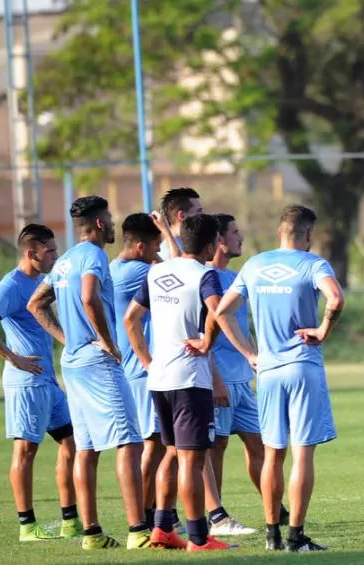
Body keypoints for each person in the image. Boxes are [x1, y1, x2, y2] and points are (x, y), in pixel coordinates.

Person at [214, 204, 344, 552]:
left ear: (280, 231)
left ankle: (272, 534)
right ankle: (295, 536)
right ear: (308, 234)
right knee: (302, 455)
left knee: (273, 454)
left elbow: (221, 311)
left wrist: (249, 353)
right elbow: (336, 298)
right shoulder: (314, 264)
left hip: (267, 372)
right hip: (303, 367)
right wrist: (323, 329)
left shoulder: (255, 265)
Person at [27, 196, 149, 550]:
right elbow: (89, 297)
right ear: (99, 224)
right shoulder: (94, 255)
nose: (113, 225)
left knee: (87, 447)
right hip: (97, 363)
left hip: (74, 363)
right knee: (129, 442)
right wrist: (107, 342)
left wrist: (69, 340)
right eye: (110, 220)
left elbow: (36, 303)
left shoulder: (63, 261)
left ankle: (92, 533)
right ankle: (138, 530)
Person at [125, 213, 234, 552]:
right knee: (191, 460)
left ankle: (161, 530)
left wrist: (147, 361)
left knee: (171, 454)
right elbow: (218, 312)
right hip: (189, 378)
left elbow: (131, 318)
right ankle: (199, 538)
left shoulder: (156, 271)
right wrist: (206, 343)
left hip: (159, 379)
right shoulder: (206, 275)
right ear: (212, 244)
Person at [0, 224, 83, 542]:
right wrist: (12, 357)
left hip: (48, 381)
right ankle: (27, 526)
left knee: (72, 443)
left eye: (55, 248)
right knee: (25, 451)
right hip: (26, 382)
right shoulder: (12, 284)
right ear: (31, 253)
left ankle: (70, 520)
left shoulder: (42, 281)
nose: (55, 254)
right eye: (49, 250)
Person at [207, 213, 285, 535]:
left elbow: (240, 324)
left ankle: (276, 510)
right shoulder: (207, 277)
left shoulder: (236, 276)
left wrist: (254, 354)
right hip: (220, 377)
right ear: (220, 240)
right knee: (217, 447)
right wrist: (216, 378)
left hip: (243, 377)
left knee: (259, 444)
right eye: (235, 233)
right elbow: (213, 322)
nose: (241, 238)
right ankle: (216, 518)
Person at [110, 213, 179, 535]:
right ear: (140, 247)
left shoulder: (115, 268)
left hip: (134, 370)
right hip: (142, 370)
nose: (158, 251)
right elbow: (181, 267)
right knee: (153, 446)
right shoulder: (140, 272)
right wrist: (167, 229)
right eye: (154, 246)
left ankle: (149, 512)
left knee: (155, 445)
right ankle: (146, 515)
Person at [156, 187, 204, 260]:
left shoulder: (190, 246)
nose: (203, 216)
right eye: (198, 211)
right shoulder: (166, 253)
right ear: (182, 215)